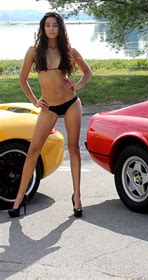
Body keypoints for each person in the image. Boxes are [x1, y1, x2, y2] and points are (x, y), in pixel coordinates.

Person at [8, 12, 92, 218]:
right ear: (43, 28)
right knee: (33, 150)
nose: (51, 29)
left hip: (71, 103)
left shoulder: (69, 50)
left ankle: (77, 197)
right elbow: (23, 79)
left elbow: (88, 72)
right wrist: (35, 101)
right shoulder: (34, 51)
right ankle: (19, 199)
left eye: (55, 25)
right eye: (48, 25)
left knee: (73, 148)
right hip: (48, 107)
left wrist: (78, 85)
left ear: (60, 28)